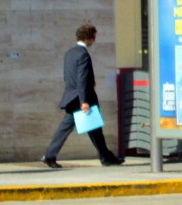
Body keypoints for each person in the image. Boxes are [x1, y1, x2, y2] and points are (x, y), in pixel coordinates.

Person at [41, 24, 124, 168]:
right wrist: (84, 101)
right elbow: (82, 78)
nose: (94, 41)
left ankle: (50, 155)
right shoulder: (83, 54)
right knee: (93, 129)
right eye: (93, 38)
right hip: (82, 98)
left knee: (90, 129)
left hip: (72, 97)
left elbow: (69, 76)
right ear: (87, 38)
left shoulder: (70, 53)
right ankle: (106, 158)